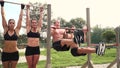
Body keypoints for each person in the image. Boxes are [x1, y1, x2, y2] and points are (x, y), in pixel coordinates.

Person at [0, 1, 25, 68]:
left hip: (14, 53)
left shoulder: (17, 30)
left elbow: (20, 18)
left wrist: (22, 8)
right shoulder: (5, 29)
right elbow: (3, 16)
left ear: (15, 24)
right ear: (8, 24)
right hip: (5, 53)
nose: (11, 24)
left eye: (13, 23)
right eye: (10, 23)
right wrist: (2, 5)